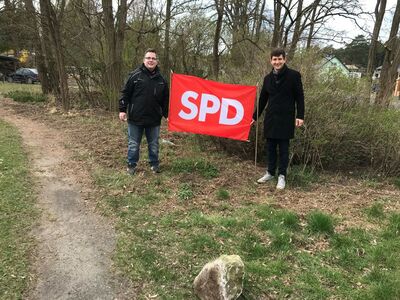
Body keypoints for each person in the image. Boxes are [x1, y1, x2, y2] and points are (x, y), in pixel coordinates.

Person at [253, 48, 304, 190]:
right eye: (274, 59)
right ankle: (270, 172)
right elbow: (263, 99)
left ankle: (282, 176)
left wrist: (300, 115)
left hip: (286, 118)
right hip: (271, 118)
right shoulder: (267, 79)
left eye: (280, 59)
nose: (277, 62)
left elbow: (300, 97)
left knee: (283, 148)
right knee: (270, 147)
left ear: (284, 59)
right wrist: (255, 117)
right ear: (271, 61)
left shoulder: (294, 76)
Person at [119, 48, 169, 175]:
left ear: (157, 61)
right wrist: (122, 110)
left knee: (154, 144)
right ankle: (131, 165)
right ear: (144, 60)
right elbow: (125, 93)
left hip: (154, 119)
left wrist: (166, 114)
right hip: (136, 118)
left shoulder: (162, 80)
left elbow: (165, 100)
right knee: (133, 144)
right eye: (148, 58)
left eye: (153, 58)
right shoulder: (134, 76)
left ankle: (154, 164)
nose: (151, 60)